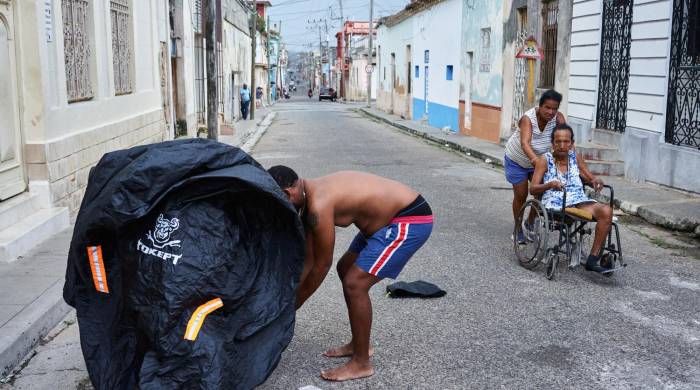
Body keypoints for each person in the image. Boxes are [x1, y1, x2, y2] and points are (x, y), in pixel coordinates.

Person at [267, 167, 434, 382]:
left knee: (355, 283)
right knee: (346, 269)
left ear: (289, 193)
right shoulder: (307, 199)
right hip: (380, 224)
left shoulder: (319, 204)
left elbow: (321, 265)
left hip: (408, 218)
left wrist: (289, 311)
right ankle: (358, 343)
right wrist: (287, 303)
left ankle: (361, 363)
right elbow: (307, 260)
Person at [530, 124, 612, 273]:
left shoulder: (576, 158)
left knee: (606, 210)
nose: (562, 145)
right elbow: (533, 188)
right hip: (556, 202)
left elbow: (589, 177)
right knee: (578, 209)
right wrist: (549, 184)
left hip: (579, 201)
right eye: (558, 141)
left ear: (572, 143)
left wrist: (595, 180)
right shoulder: (545, 159)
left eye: (566, 141)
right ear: (552, 143)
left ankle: (592, 260)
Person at [504, 89, 566, 243]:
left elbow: (566, 138)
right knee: (521, 195)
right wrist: (535, 160)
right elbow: (525, 143)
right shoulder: (528, 118)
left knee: (541, 192)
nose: (551, 112)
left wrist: (570, 160)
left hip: (539, 160)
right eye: (547, 107)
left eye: (554, 108)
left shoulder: (558, 119)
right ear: (540, 106)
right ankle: (518, 228)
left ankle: (530, 222)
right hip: (517, 160)